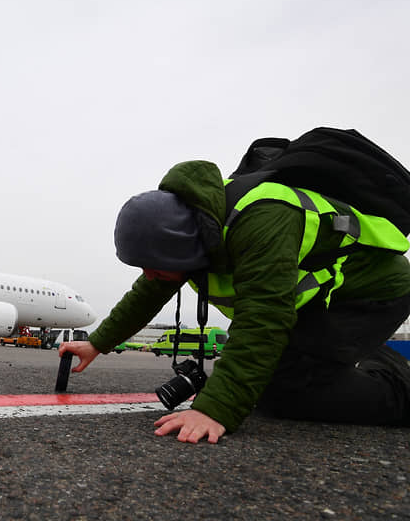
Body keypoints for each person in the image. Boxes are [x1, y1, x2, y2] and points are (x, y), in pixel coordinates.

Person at [60, 160, 410, 444]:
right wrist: (97, 343)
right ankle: (372, 360)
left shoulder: (262, 219)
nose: (148, 275)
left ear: (182, 247)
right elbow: (147, 293)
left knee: (292, 391)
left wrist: (216, 410)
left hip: (371, 293)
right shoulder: (193, 234)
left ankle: (402, 394)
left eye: (152, 266)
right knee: (267, 383)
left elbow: (263, 319)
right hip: (321, 301)